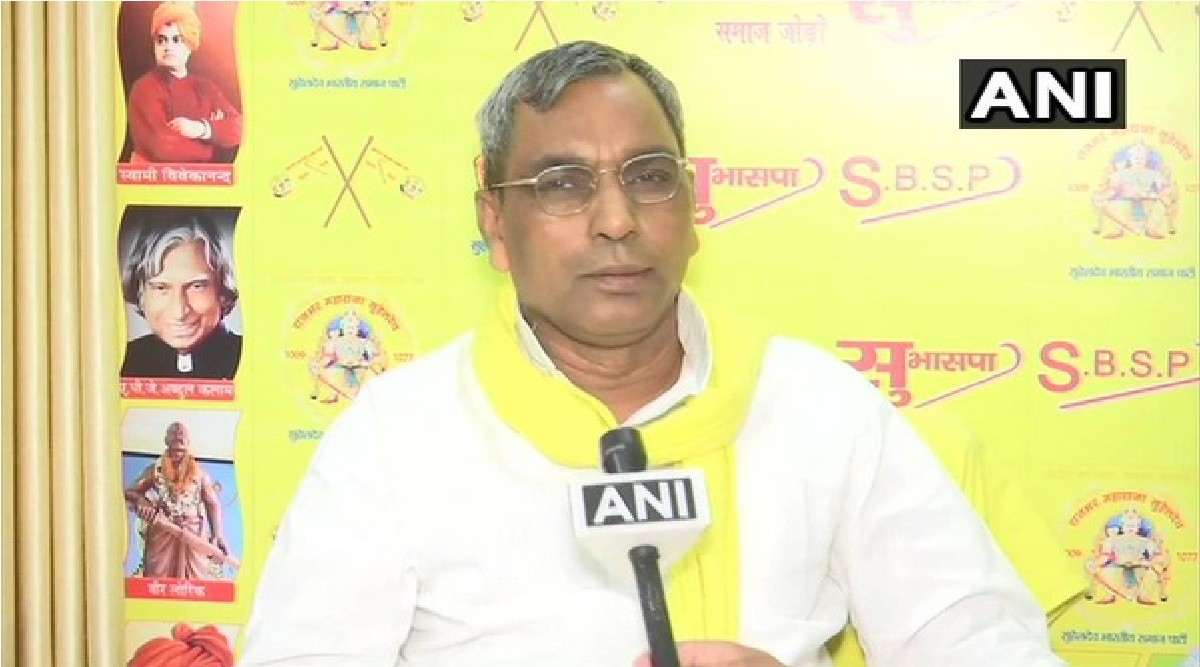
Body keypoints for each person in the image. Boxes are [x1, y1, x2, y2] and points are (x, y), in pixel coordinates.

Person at [240, 41, 1067, 666]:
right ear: (495, 218)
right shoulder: (397, 437)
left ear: (691, 201)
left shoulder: (821, 407)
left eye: (648, 176)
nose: (616, 220)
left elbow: (984, 647)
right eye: (562, 184)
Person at [120, 210, 242, 380]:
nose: (180, 312)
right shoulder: (124, 359)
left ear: (222, 291)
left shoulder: (254, 356)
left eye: (196, 286)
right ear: (140, 294)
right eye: (161, 288)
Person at [126, 2, 243, 163]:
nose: (167, 47)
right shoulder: (144, 89)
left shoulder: (205, 88)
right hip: (154, 177)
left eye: (176, 40)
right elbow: (164, 147)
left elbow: (240, 128)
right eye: (161, 40)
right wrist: (211, 145)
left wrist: (201, 129)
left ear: (190, 45)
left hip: (199, 177)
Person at [124, 422, 232, 580]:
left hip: (193, 534)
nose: (178, 435)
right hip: (162, 532)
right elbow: (130, 492)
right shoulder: (154, 471)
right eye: (173, 433)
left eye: (182, 434)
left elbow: (212, 503)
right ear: (166, 440)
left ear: (188, 442)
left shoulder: (200, 474)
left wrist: (218, 535)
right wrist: (142, 501)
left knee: (195, 581)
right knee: (158, 579)